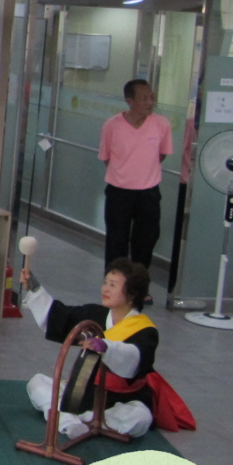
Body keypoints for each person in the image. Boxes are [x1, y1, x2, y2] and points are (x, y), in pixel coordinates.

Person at [20, 259, 161, 438]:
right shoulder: (95, 314)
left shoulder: (145, 330)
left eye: (113, 285)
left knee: (141, 417)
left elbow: (134, 359)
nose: (105, 289)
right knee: (37, 383)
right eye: (105, 283)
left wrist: (107, 347)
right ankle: (71, 424)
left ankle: (78, 418)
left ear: (132, 293)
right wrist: (34, 288)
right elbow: (59, 316)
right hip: (86, 392)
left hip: (122, 400)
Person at [100, 79, 172, 269]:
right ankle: (114, 282)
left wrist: (143, 171)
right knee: (116, 242)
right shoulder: (112, 125)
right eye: (144, 98)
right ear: (129, 101)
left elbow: (161, 154)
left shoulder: (161, 124)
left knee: (146, 241)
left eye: (152, 97)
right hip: (118, 192)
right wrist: (125, 172)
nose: (150, 102)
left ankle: (138, 283)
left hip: (148, 193)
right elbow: (106, 157)